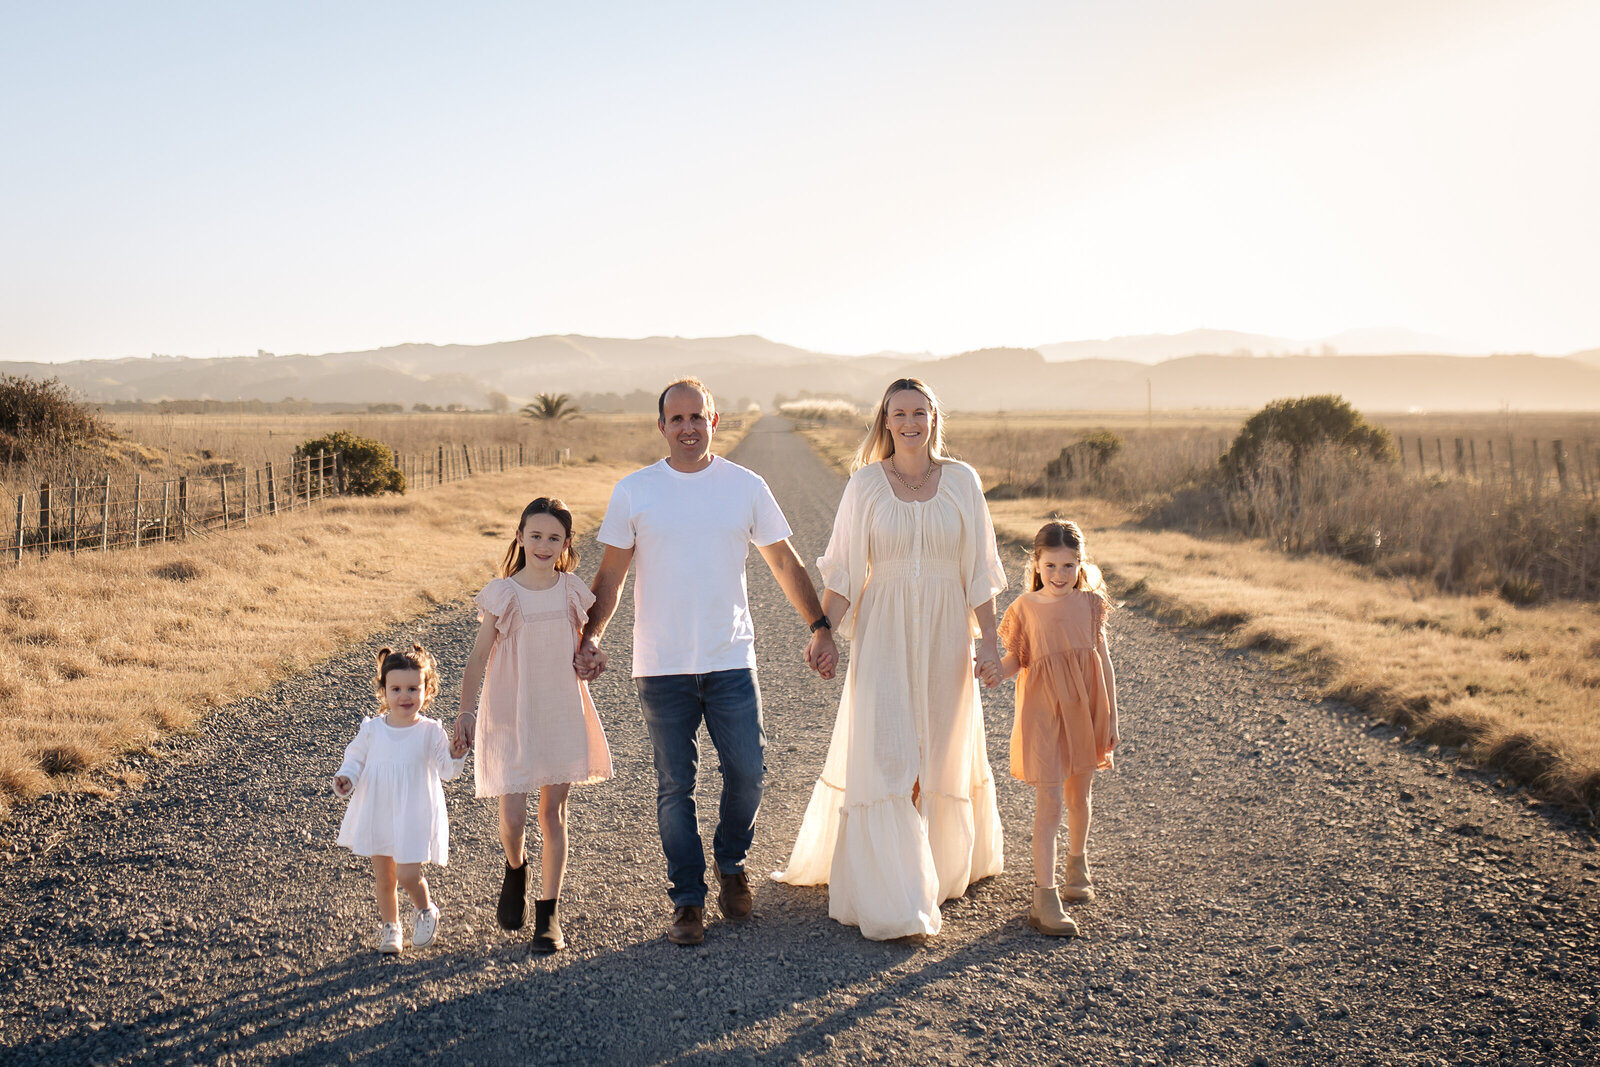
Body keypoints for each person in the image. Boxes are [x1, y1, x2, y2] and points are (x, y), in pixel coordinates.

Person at [578, 377, 838, 946]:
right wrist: (591, 635)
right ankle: (688, 900)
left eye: (699, 417)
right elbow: (610, 579)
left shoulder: (745, 486)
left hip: (730, 658)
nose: (689, 427)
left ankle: (730, 863)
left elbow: (785, 564)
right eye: (677, 419)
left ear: (714, 421)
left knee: (748, 772)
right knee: (676, 786)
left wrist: (819, 627)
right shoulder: (635, 491)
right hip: (661, 664)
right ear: (662, 426)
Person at [773, 377, 1007, 940]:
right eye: (899, 413)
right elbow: (847, 572)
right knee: (889, 751)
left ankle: (935, 868)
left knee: (938, 750)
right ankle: (895, 889)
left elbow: (979, 570)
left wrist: (991, 642)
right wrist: (822, 631)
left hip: (948, 632)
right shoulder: (864, 487)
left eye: (919, 412)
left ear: (933, 418)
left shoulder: (962, 481)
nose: (910, 422)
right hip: (883, 634)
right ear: (885, 420)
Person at [454, 497, 612, 954]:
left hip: (560, 709)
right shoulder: (503, 593)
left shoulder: (572, 591)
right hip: (510, 711)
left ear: (565, 545)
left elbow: (587, 646)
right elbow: (478, 657)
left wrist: (595, 656)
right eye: (535, 535)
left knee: (552, 814)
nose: (543, 545)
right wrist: (465, 712)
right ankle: (515, 868)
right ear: (520, 537)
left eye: (554, 538)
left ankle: (549, 914)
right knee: (513, 816)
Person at [997, 519, 1119, 937]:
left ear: (1080, 565)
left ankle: (1077, 862)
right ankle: (1043, 897)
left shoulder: (1090, 605)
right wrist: (997, 670)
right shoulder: (1025, 609)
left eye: (1069, 566)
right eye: (1051, 566)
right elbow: (1018, 659)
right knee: (1048, 804)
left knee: (1078, 796)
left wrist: (1112, 715)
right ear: (1036, 563)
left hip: (1085, 710)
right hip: (1044, 714)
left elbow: (1102, 659)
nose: (1059, 576)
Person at [333, 644, 468, 954]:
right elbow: (355, 760)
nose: (404, 696)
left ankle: (425, 910)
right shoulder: (372, 730)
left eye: (412, 688)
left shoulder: (431, 731)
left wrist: (456, 754)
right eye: (396, 688)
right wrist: (346, 778)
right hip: (379, 808)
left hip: (414, 812)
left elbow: (447, 771)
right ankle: (391, 927)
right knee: (385, 877)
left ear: (427, 689)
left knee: (407, 873)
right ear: (384, 691)